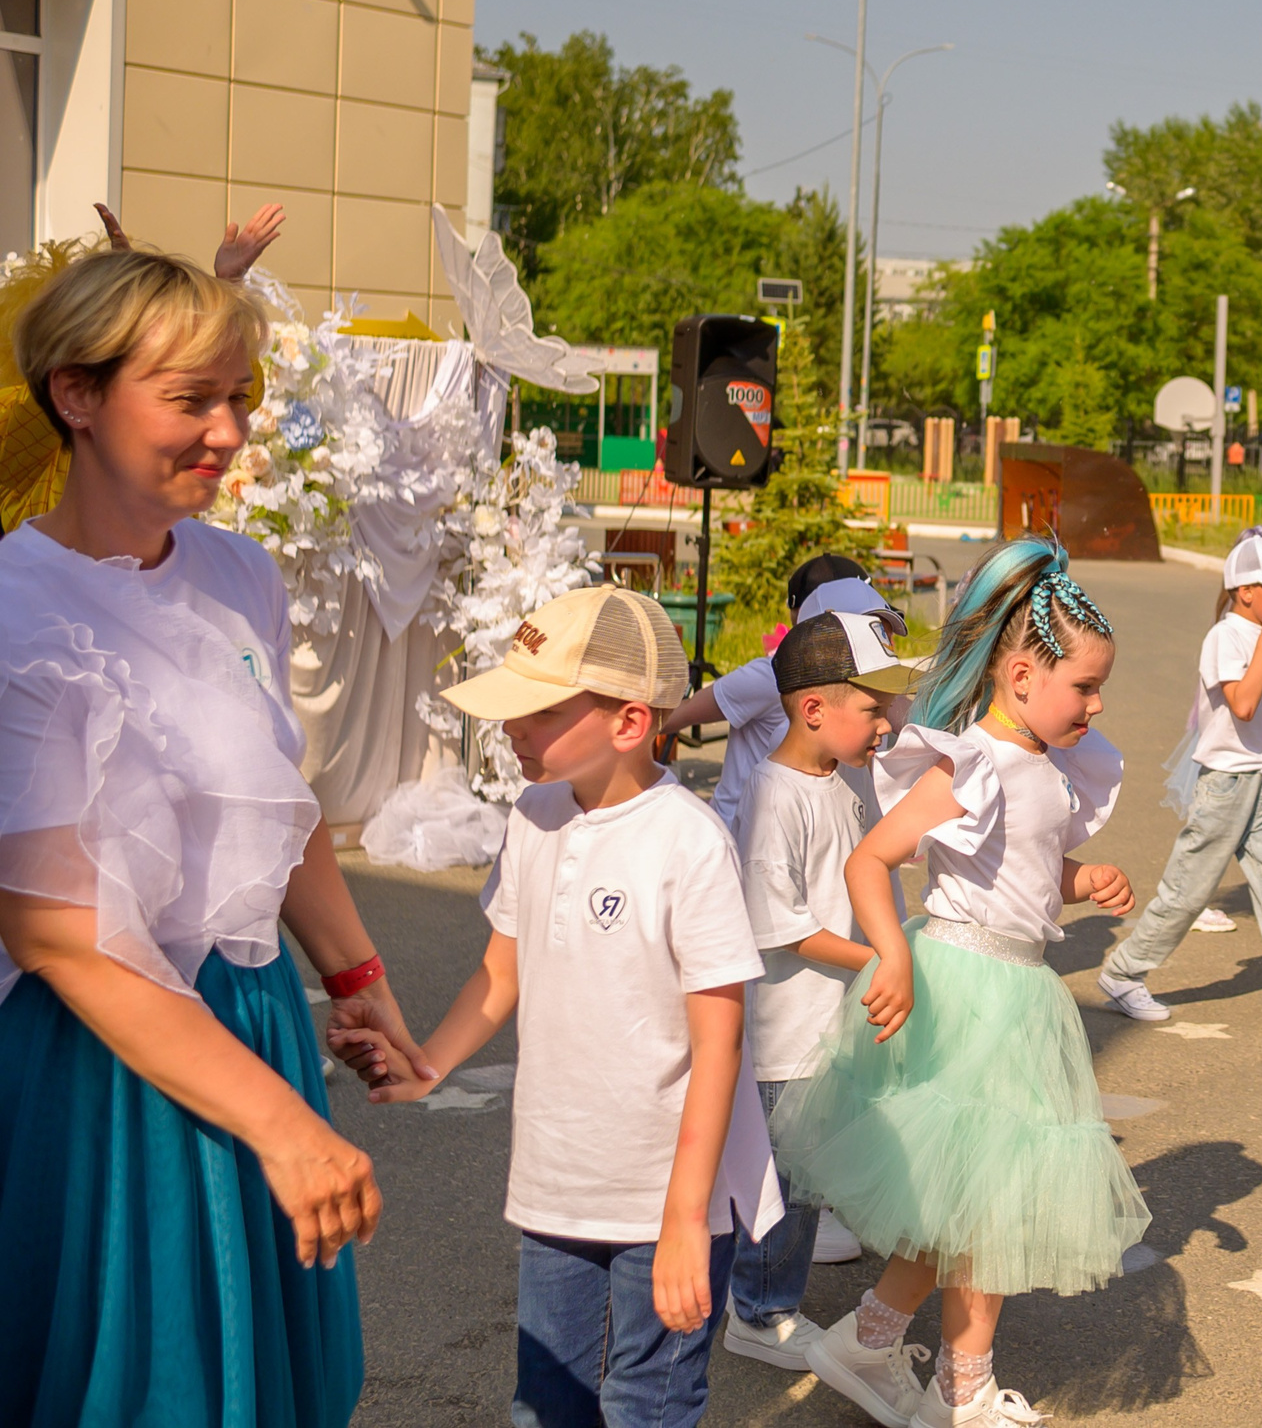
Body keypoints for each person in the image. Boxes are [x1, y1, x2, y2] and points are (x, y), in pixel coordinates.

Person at [0, 244, 429, 1426]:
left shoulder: (242, 574)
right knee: (137, 1380)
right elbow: (59, 936)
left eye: (240, 396)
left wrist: (357, 973)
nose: (230, 431)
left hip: (250, 1019)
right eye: (192, 399)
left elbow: (273, 804)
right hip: (97, 1058)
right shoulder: (16, 615)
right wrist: (283, 1125)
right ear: (76, 397)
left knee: (265, 1381)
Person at [341, 587, 784, 1428]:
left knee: (647, 1403)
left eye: (537, 710)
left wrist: (688, 1217)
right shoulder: (535, 813)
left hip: (670, 1192)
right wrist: (425, 1065)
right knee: (545, 1400)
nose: (513, 729)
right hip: (558, 1179)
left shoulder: (690, 841)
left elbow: (718, 1043)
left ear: (628, 722)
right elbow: (499, 973)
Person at [779, 541, 1148, 1428]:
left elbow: (1021, 871)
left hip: (1016, 982)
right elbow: (874, 859)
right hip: (971, 986)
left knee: (969, 1206)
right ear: (1021, 674)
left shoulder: (1042, 766)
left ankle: (871, 1340)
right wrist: (891, 954)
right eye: (1084, 688)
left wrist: (1081, 879)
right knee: (988, 1207)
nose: (1096, 706)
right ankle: (963, 1389)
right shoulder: (973, 761)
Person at [722, 609, 920, 1367]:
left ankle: (771, 1292)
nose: (885, 724)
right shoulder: (773, 795)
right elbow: (784, 925)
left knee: (811, 1168)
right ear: (813, 709)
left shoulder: (842, 778)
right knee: (789, 1179)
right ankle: (760, 1309)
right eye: (872, 708)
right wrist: (880, 958)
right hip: (789, 1025)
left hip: (831, 1016)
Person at [1097, 529, 1262, 1042]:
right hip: (1226, 781)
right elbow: (1242, 704)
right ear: (1246, 590)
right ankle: (1122, 973)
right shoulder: (1227, 636)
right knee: (1188, 892)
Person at [661, 554, 908, 830]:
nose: (884, 643)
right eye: (869, 630)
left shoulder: (876, 695)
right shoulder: (769, 676)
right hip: (740, 832)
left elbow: (924, 720)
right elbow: (673, 718)